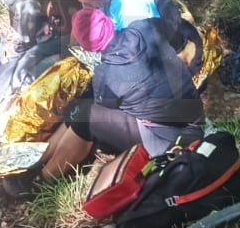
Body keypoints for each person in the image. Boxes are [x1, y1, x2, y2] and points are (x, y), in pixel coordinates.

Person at [70, 16, 205, 156]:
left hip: (170, 141)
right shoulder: (145, 25)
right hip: (196, 116)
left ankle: (48, 173)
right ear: (108, 20)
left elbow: (109, 108)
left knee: (87, 116)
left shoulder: (104, 76)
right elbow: (177, 26)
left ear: (87, 47)